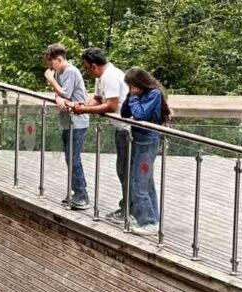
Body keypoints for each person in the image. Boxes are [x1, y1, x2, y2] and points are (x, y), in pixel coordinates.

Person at [68, 48, 129, 222]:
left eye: (86, 67)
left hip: (128, 129)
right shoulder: (101, 77)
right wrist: (83, 105)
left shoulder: (110, 76)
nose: (86, 71)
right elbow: (98, 99)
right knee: (122, 170)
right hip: (120, 128)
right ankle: (125, 208)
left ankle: (129, 211)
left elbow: (110, 105)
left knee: (126, 171)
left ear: (94, 65)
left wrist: (84, 110)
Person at [120, 67, 170, 235]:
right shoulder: (137, 95)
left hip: (148, 141)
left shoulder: (154, 94)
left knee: (137, 183)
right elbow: (125, 113)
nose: (130, 89)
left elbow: (140, 115)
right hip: (138, 139)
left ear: (139, 83)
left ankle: (148, 221)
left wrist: (134, 97)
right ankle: (153, 220)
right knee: (146, 182)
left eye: (131, 86)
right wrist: (130, 96)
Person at [44, 43, 90, 210]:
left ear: (60, 59)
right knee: (69, 158)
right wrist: (57, 97)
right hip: (66, 120)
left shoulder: (70, 71)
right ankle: (76, 191)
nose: (50, 67)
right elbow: (59, 95)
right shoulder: (59, 72)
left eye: (52, 63)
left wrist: (51, 80)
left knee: (73, 158)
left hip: (77, 121)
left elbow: (65, 93)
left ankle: (82, 194)